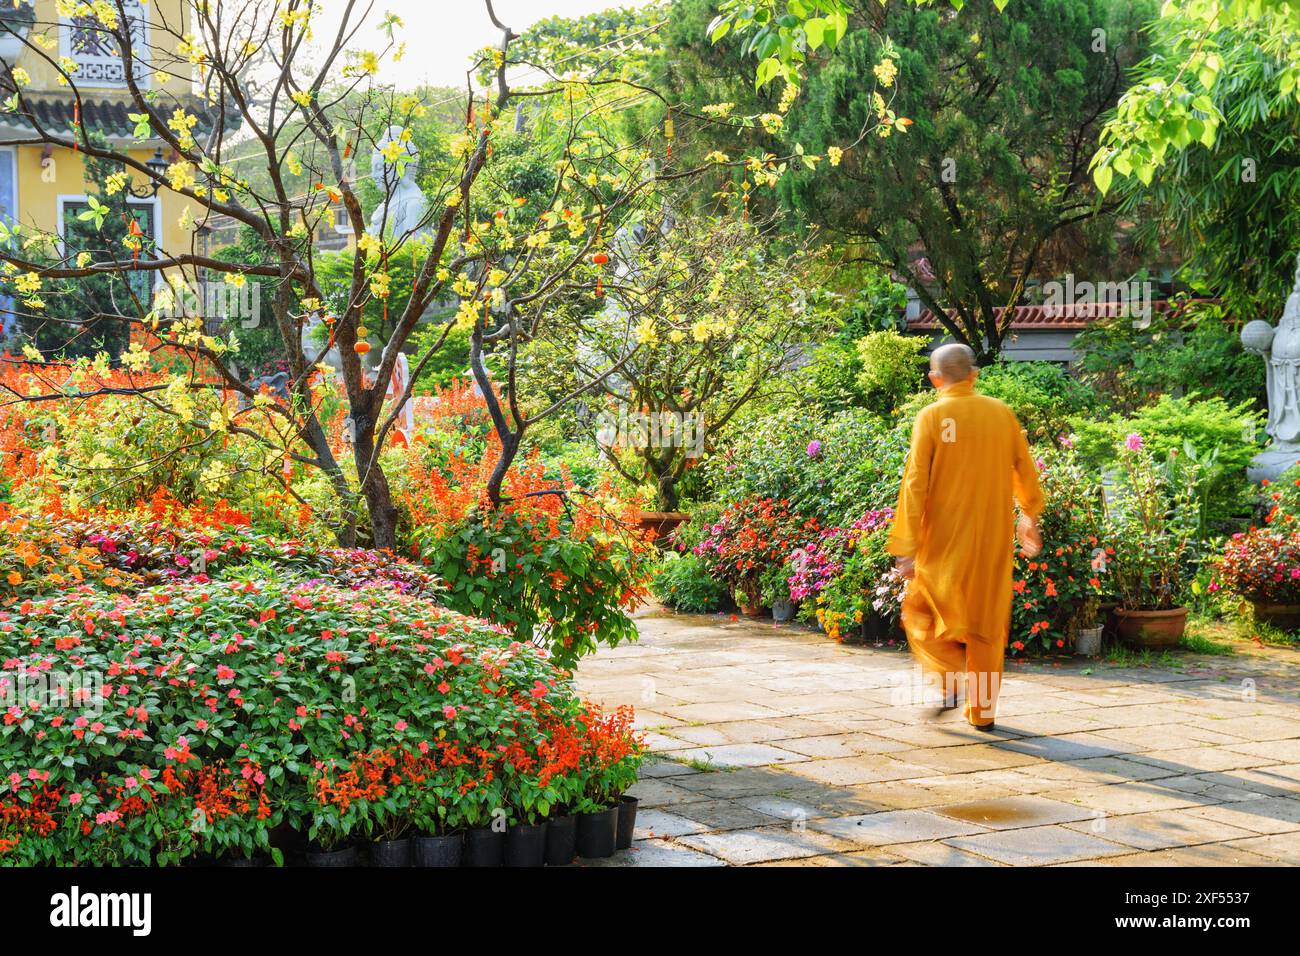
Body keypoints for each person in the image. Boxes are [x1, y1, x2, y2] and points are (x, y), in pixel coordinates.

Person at [886, 343, 1044, 730]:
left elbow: (915, 484)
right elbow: (1024, 468)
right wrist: (1029, 514)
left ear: (934, 378)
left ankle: (949, 678)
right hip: (991, 542)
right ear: (973, 374)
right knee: (987, 629)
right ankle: (983, 714)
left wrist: (906, 548)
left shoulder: (932, 416)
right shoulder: (1000, 414)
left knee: (920, 614)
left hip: (943, 543)